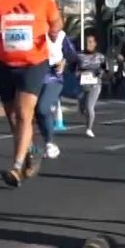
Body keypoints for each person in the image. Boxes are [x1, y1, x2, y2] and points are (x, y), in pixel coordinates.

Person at [0, 0, 64, 186]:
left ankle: (16, 167)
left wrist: (54, 32)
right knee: (13, 119)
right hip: (5, 64)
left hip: (33, 63)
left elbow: (56, 22)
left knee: (25, 113)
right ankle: (31, 151)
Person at [33, 32, 75, 160]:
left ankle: (50, 142)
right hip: (34, 77)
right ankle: (47, 142)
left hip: (53, 78)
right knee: (37, 111)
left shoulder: (60, 35)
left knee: (43, 108)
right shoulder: (32, 29)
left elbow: (71, 55)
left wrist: (63, 62)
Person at [73, 32, 107, 137]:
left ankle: (89, 128)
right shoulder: (79, 56)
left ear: (95, 43)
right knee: (82, 108)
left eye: (91, 42)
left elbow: (106, 70)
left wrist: (100, 73)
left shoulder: (100, 57)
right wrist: (78, 74)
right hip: (82, 85)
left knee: (89, 106)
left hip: (95, 84)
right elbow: (73, 70)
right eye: (87, 42)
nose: (89, 44)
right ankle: (86, 115)